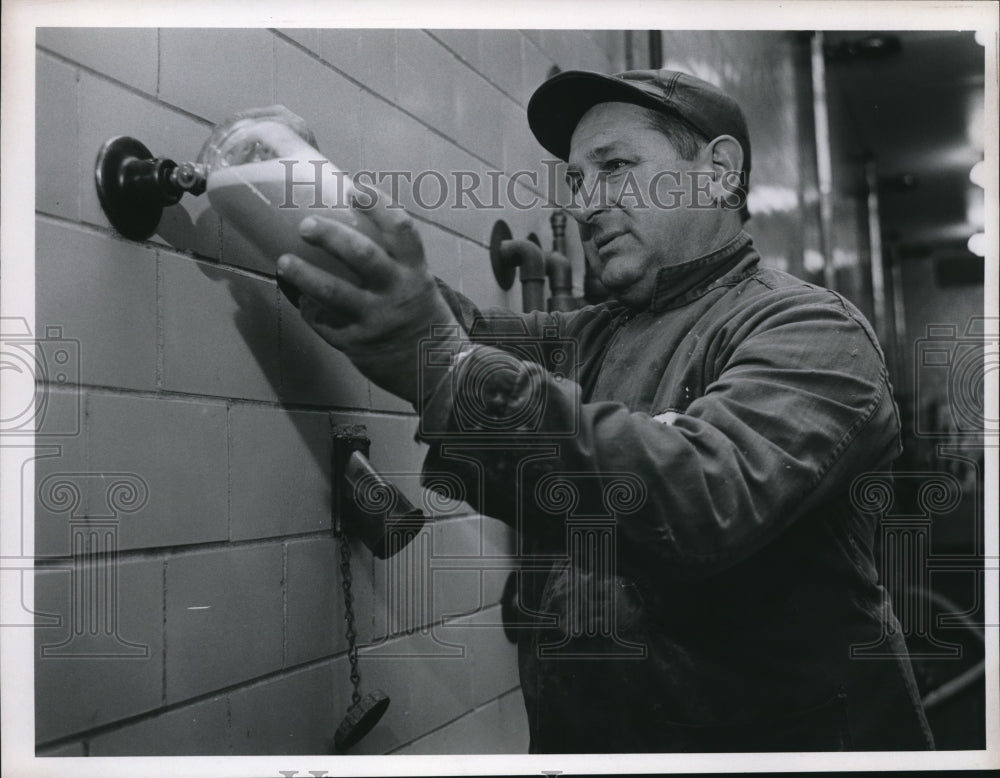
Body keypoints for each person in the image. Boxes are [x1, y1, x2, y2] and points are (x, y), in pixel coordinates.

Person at [275, 69, 934, 752]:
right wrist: (294, 191)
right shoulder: (592, 337)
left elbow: (700, 498)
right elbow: (436, 324)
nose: (588, 204)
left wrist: (445, 362)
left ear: (718, 172)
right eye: (578, 182)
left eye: (614, 167)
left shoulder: (810, 331)